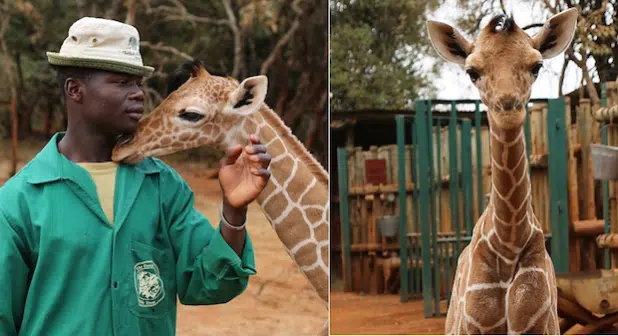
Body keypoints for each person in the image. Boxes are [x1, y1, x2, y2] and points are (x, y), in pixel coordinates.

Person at [0, 17, 271, 335]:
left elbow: (210, 284)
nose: (138, 94)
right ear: (75, 90)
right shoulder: (20, 200)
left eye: (138, 84)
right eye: (121, 82)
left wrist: (233, 212)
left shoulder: (163, 188)